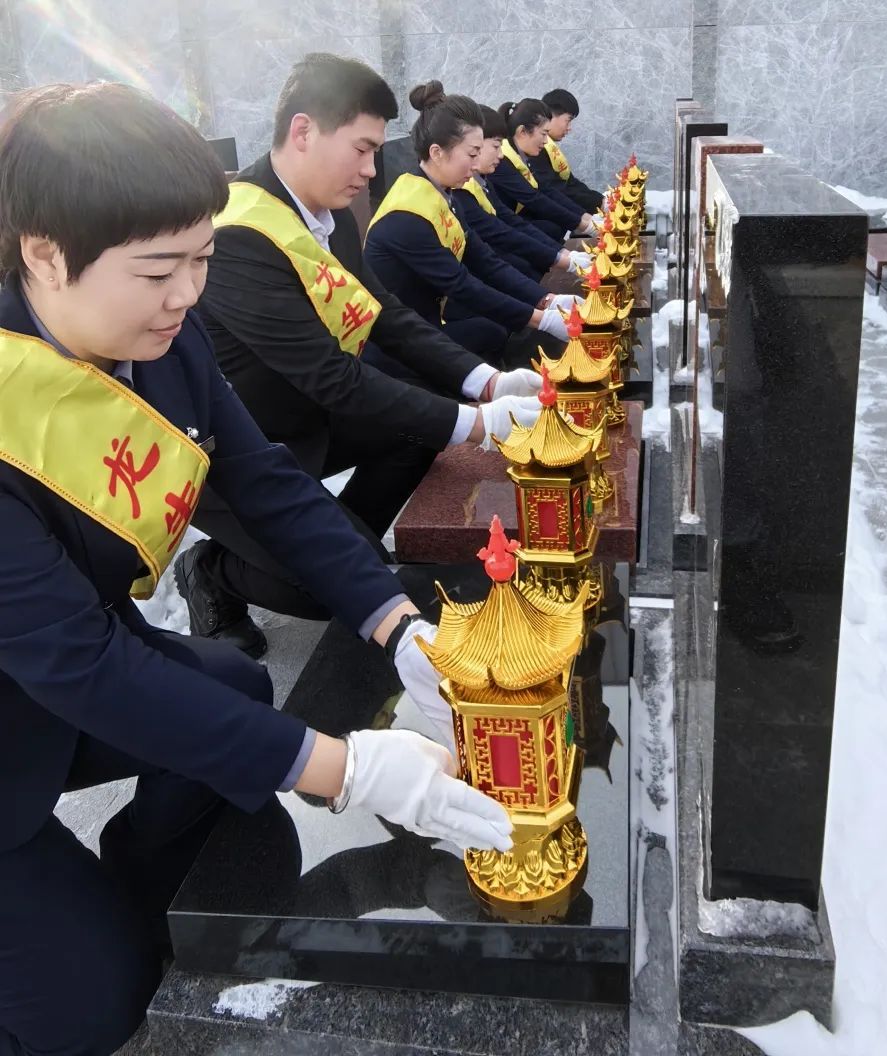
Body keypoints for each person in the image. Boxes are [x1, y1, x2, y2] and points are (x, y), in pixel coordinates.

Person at [0, 82, 512, 1056]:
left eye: (200, 259)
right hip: (30, 702)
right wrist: (343, 768)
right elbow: (86, 668)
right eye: (160, 271)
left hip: (58, 676)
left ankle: (134, 905)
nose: (190, 296)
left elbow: (267, 483)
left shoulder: (161, 335)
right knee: (87, 1010)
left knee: (232, 684)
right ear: (41, 252)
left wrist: (396, 623)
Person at [191, 55, 544, 657]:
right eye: (359, 149)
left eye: (377, 151)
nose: (370, 169)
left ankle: (341, 544)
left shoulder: (328, 215)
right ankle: (213, 570)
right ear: (303, 132)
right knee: (324, 594)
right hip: (241, 454)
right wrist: (478, 425)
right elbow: (329, 375)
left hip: (311, 418)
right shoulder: (238, 235)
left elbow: (387, 316)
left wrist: (485, 382)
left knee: (414, 438)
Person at [365, 82, 575, 365]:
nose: (476, 165)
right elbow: (461, 284)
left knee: (498, 332)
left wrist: (546, 300)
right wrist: (542, 319)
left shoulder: (443, 194)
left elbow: (484, 260)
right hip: (399, 343)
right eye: (472, 154)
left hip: (427, 322)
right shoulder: (407, 216)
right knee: (501, 335)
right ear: (438, 152)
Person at [453, 104, 592, 283]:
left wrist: (564, 252)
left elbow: (510, 217)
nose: (500, 155)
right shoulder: (463, 189)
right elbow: (503, 229)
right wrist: (560, 262)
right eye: (495, 146)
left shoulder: (482, 177)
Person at [487, 99, 595, 242]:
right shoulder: (502, 161)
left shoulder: (522, 154)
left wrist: (586, 218)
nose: (546, 141)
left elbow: (545, 189)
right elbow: (532, 198)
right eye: (543, 134)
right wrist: (584, 226)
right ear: (522, 132)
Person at [537, 89, 605, 214]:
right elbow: (559, 190)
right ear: (550, 116)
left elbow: (569, 183)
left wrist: (602, 201)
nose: (569, 128)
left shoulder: (549, 148)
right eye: (568, 121)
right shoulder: (537, 150)